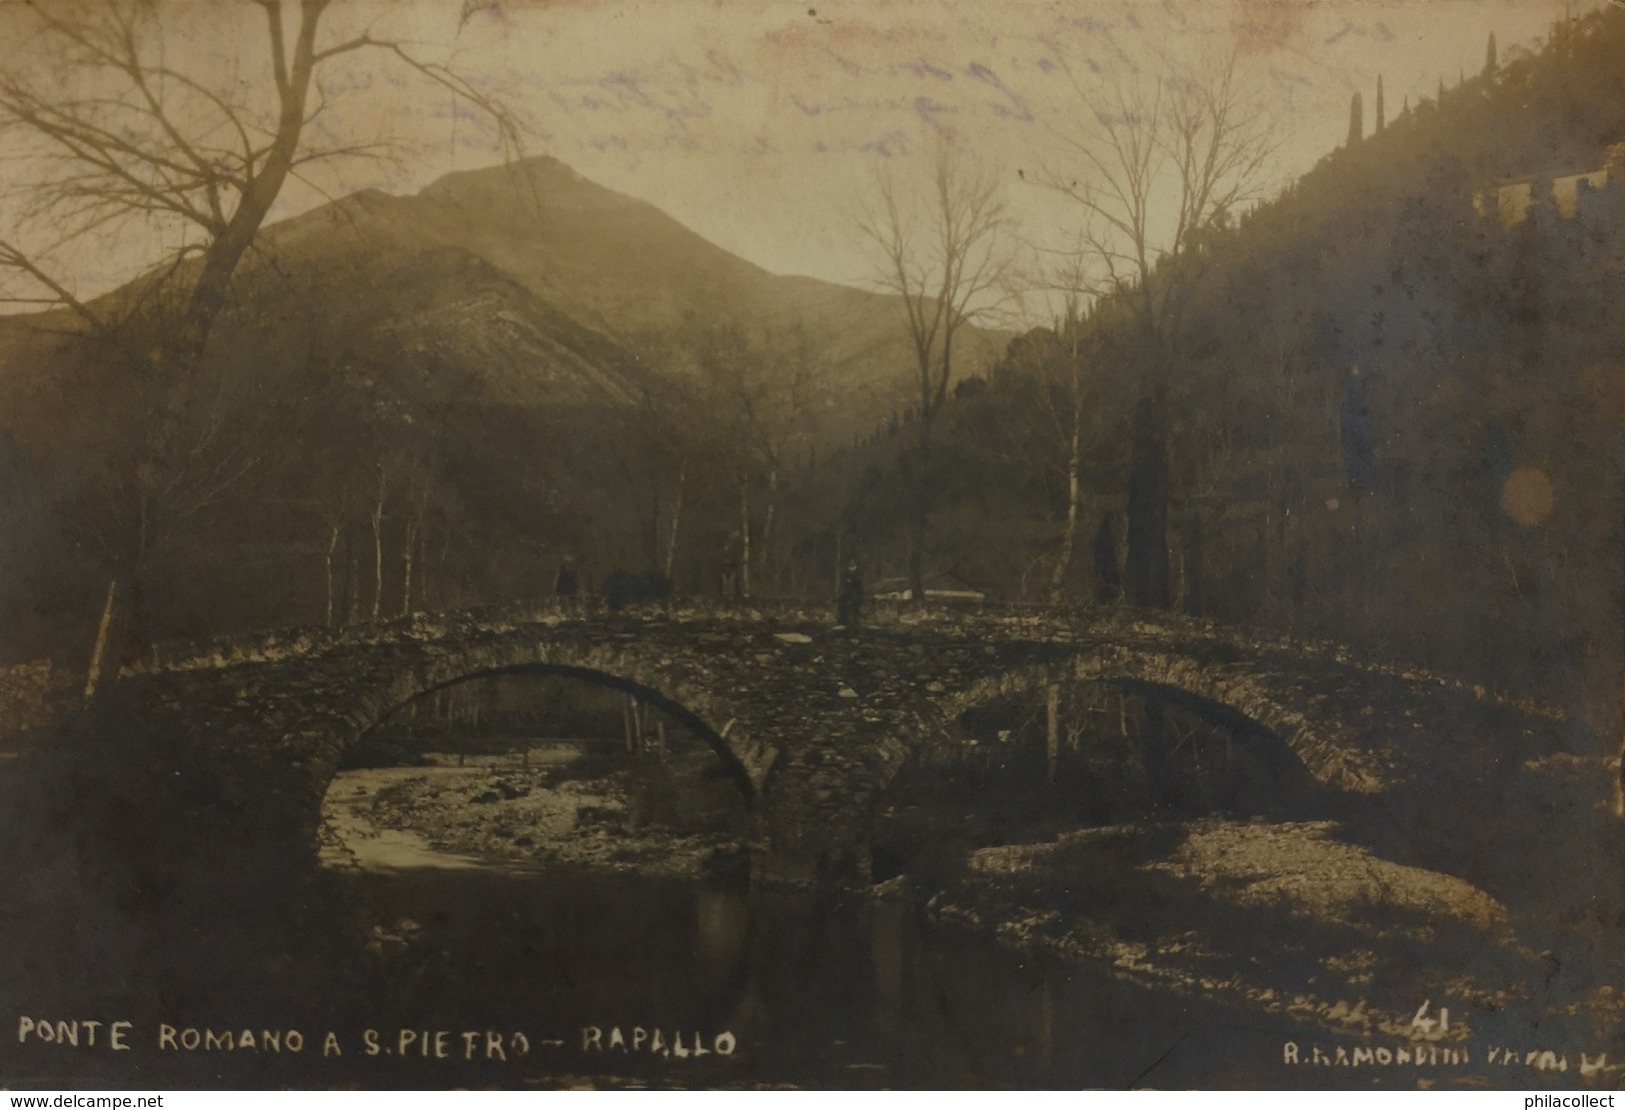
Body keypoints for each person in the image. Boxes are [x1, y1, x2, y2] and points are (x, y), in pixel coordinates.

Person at [837, 557, 863, 632]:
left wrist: (851, 581)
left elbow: (859, 584)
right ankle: (845, 622)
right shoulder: (847, 574)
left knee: (855, 611)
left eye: (851, 566)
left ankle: (854, 625)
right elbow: (845, 586)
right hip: (848, 595)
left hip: (855, 596)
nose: (850, 568)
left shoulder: (858, 573)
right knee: (845, 608)